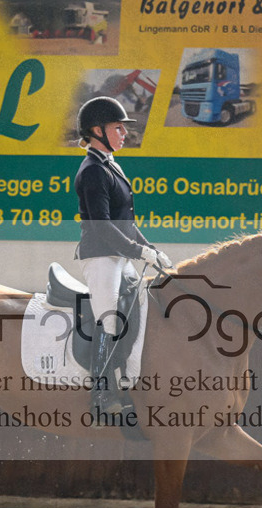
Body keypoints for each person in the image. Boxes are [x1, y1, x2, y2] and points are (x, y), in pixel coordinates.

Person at [74, 96, 171, 418]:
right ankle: (100, 395)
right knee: (109, 317)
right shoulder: (92, 171)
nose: (124, 133)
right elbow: (102, 227)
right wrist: (138, 251)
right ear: (96, 130)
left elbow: (126, 224)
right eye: (118, 127)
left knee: (142, 308)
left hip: (118, 256)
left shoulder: (110, 165)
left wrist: (150, 249)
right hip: (101, 257)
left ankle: (130, 375)